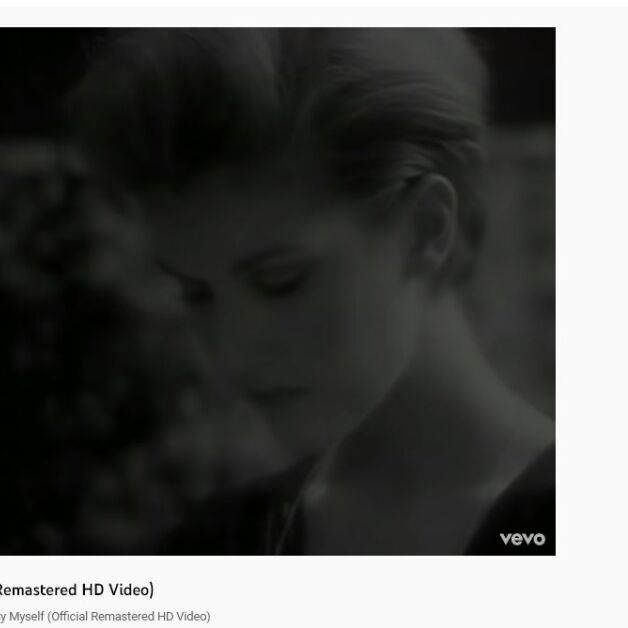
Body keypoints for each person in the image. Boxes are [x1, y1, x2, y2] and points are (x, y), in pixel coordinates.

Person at [66, 28, 554, 554]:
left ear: (427, 228)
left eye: (281, 281)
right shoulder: (218, 547)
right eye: (196, 293)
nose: (232, 350)